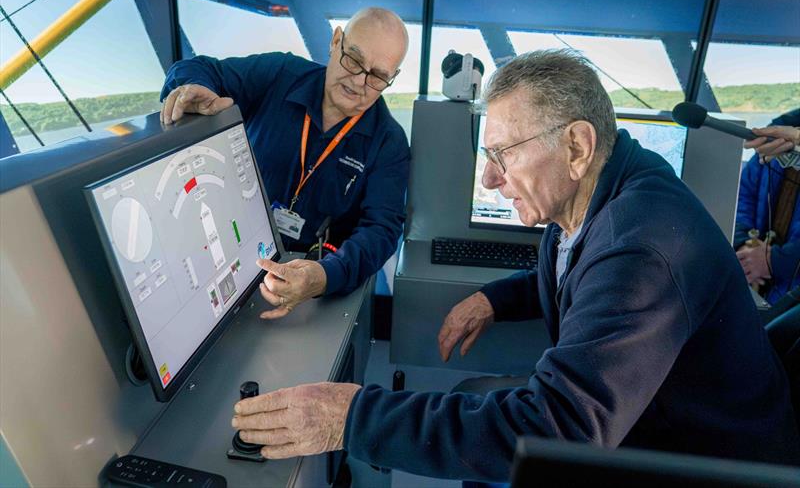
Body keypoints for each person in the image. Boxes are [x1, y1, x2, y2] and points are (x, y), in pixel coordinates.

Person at [229, 50, 800, 481]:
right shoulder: (615, 179)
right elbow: (579, 271)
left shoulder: (644, 247)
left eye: (502, 155)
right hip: (645, 421)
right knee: (479, 396)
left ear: (576, 146)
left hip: (695, 461)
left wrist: (349, 418)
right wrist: (495, 298)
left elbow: (556, 430)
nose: (489, 180)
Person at [159, 7, 410, 318]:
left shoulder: (390, 141)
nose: (359, 81)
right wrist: (195, 90)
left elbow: (381, 230)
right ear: (335, 42)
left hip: (314, 277)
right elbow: (197, 68)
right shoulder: (279, 74)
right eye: (354, 60)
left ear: (392, 78)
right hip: (230, 251)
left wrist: (323, 277)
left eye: (377, 76)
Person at [735, 108, 800, 304]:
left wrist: (775, 261)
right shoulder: (773, 142)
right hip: (756, 278)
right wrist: (743, 246)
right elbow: (744, 196)